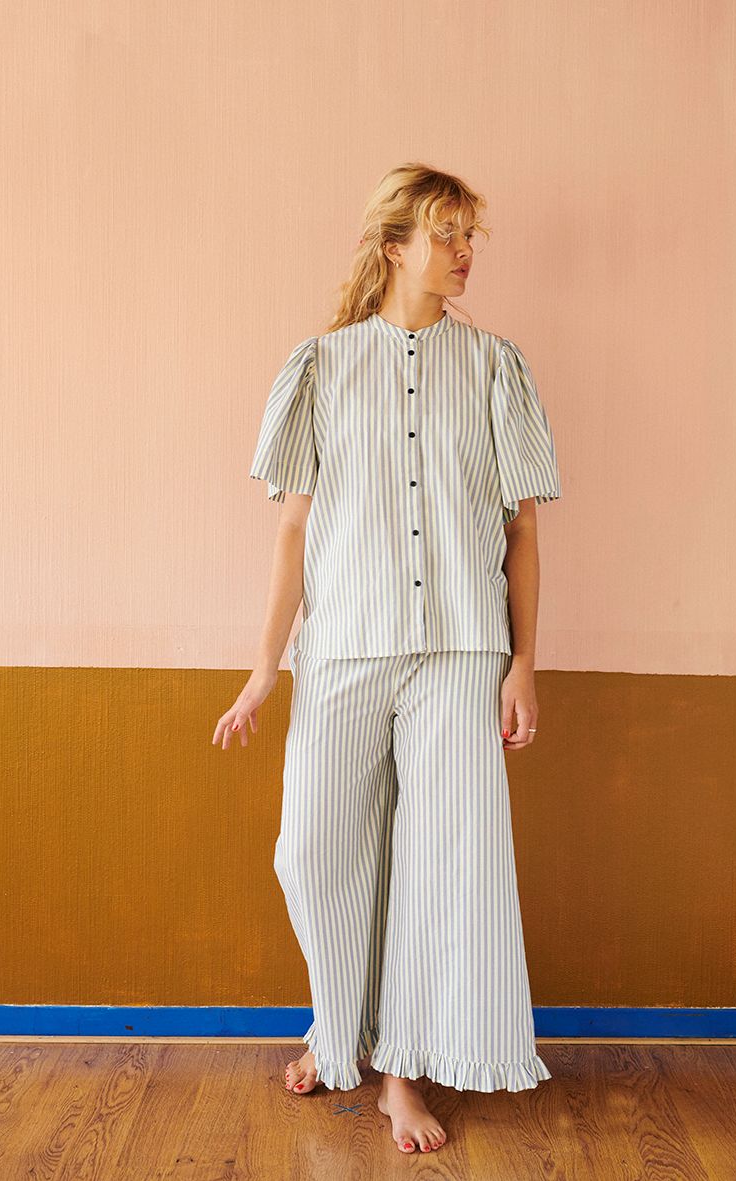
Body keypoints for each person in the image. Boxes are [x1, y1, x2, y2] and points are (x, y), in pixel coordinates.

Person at [212, 163, 562, 1157]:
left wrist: (522, 663)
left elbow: (521, 531)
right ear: (393, 245)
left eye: (468, 236)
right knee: (312, 849)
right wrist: (264, 667)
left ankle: (399, 1071)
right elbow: (293, 532)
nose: (463, 253)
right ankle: (338, 1028)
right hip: (342, 647)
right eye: (445, 234)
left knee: (438, 863)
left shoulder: (494, 366)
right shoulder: (320, 368)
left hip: (459, 648)